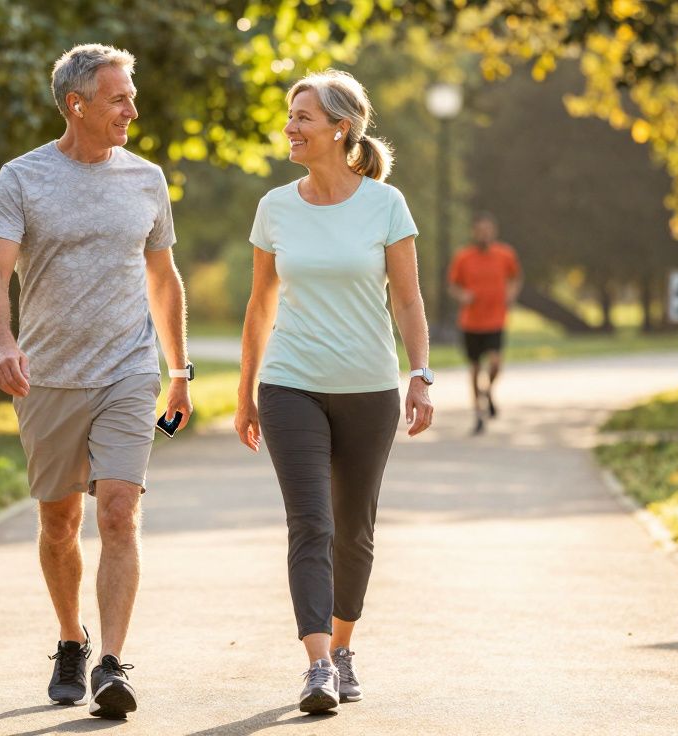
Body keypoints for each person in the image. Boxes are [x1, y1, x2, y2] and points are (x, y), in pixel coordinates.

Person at [0, 43, 192, 720]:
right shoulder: (22, 178)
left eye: (131, 94)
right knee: (59, 519)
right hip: (49, 376)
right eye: (119, 97)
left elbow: (163, 279)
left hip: (129, 369)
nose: (133, 107)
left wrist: (179, 371)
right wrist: (4, 342)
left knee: (119, 510)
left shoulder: (147, 179)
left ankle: (112, 663)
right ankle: (72, 637)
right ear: (78, 104)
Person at [234, 70, 433, 715]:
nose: (290, 127)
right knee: (310, 524)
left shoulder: (385, 204)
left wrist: (421, 374)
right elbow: (260, 305)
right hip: (291, 384)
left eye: (303, 117)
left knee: (354, 529)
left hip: (369, 388)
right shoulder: (275, 207)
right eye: (290, 117)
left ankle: (343, 647)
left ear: (340, 127)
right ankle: (318, 664)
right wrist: (245, 393)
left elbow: (407, 298)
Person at [447, 212, 522, 435]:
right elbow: (452, 285)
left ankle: (487, 392)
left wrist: (511, 294)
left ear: (494, 232)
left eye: (488, 230)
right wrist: (462, 296)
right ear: (474, 232)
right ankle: (478, 414)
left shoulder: (505, 254)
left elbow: (516, 277)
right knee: (474, 369)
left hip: (496, 319)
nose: (484, 234)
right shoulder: (463, 257)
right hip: (471, 322)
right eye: (480, 231)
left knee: (496, 363)